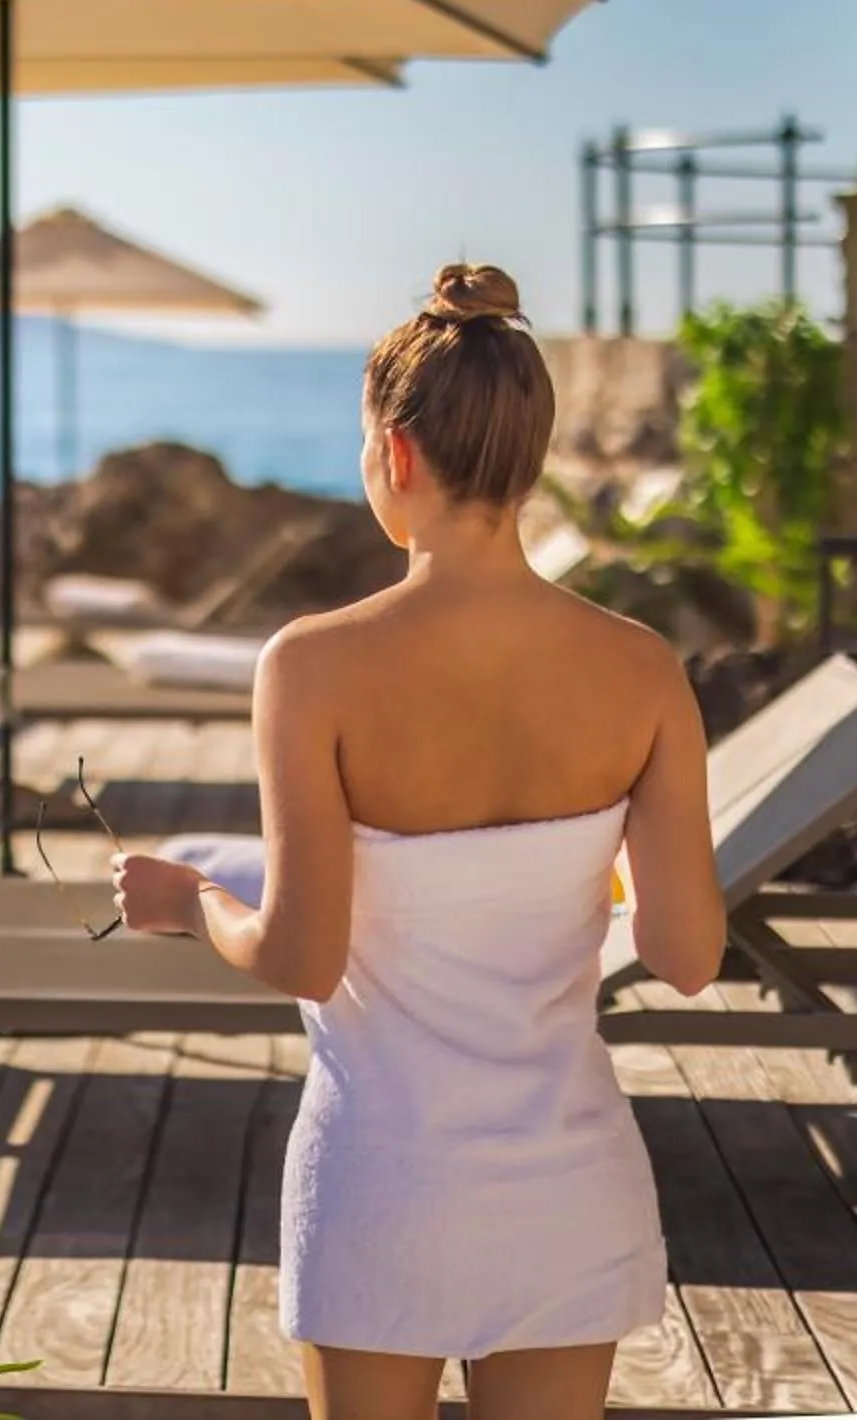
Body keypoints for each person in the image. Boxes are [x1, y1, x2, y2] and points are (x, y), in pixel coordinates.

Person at [113, 263, 725, 1420]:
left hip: (383, 1181)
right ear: (529, 457)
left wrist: (190, 898)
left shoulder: (313, 661)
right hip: (568, 1182)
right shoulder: (641, 666)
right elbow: (688, 952)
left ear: (395, 452)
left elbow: (302, 954)